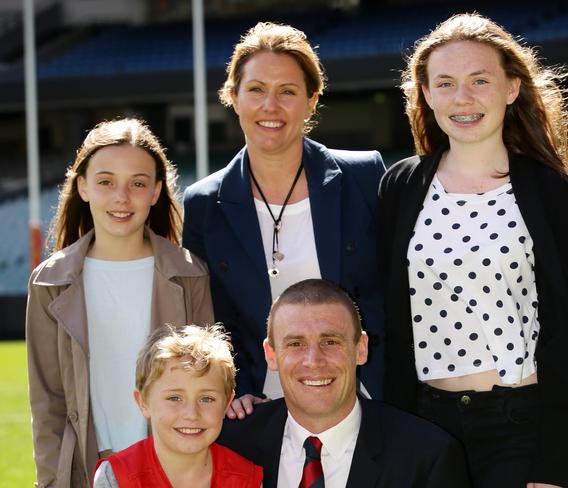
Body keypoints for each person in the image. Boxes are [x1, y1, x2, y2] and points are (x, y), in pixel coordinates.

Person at [379, 12, 568, 488]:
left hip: (516, 426)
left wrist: (551, 465)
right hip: (424, 423)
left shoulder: (550, 192)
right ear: (425, 94)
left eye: (479, 80)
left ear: (511, 88)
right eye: (444, 83)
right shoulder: (401, 186)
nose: (461, 98)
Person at [183, 22, 385, 414]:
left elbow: (389, 295)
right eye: (256, 90)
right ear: (233, 97)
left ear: (312, 100)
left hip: (364, 404)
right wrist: (236, 389)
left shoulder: (364, 177)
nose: (270, 107)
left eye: (287, 92)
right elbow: (213, 319)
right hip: (262, 409)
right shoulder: (204, 203)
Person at [26, 118, 214, 488]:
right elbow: (47, 401)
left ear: (157, 191)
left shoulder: (190, 274)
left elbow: (207, 388)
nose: (121, 198)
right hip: (87, 470)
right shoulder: (49, 281)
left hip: (173, 471)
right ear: (82, 186)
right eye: (106, 181)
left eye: (138, 184)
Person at [218, 278, 471, 488]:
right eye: (296, 344)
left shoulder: (427, 456)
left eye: (330, 342)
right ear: (271, 355)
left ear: (361, 348)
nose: (314, 361)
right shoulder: (229, 442)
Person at [93, 324, 263, 487]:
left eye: (207, 399)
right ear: (143, 402)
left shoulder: (246, 479)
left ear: (227, 403)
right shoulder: (115, 476)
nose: (191, 414)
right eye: (174, 398)